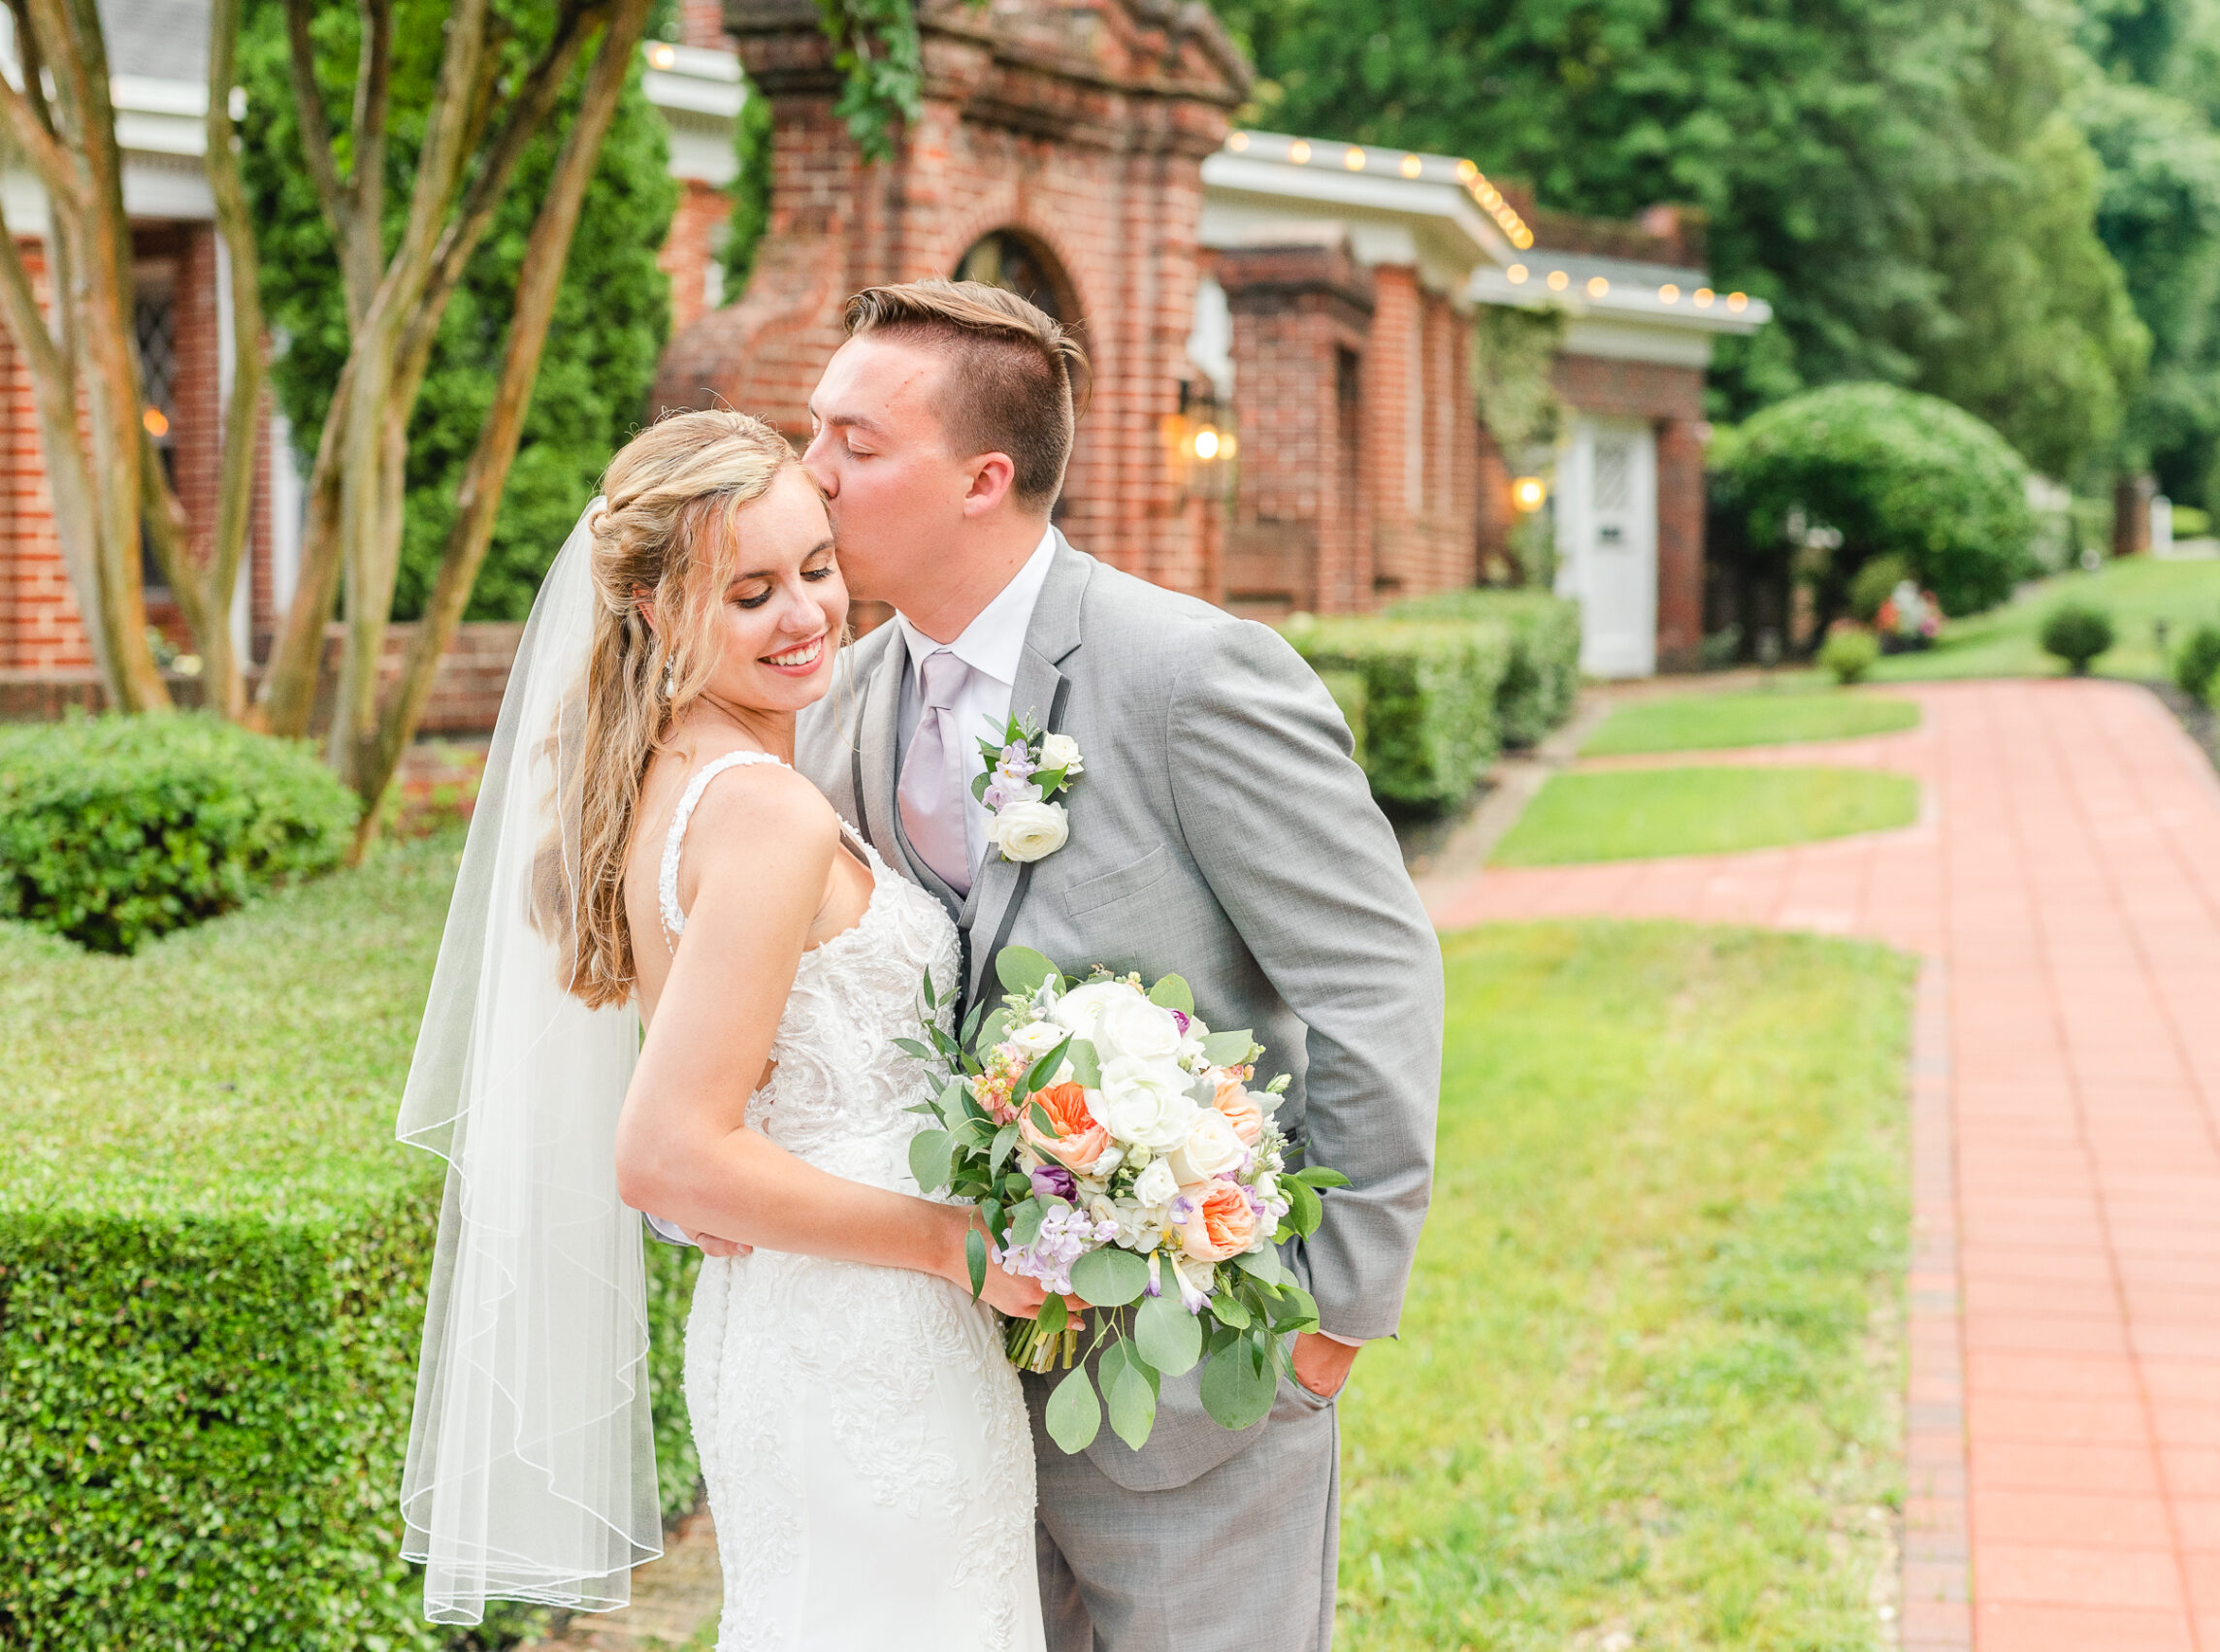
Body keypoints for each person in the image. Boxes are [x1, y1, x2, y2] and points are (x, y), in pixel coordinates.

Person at [792, 279, 1443, 1652]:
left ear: (983, 477)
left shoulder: (1191, 674)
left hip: (1195, 1379)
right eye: (814, 433)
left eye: (856, 443)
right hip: (946, 1386)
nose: (812, 474)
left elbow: (1374, 974)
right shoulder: (845, 695)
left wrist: (1334, 1311)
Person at [398, 409, 1051, 1649]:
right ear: (651, 607)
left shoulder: (675, 772)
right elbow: (667, 1155)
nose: (804, 613)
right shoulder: (763, 814)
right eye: (749, 591)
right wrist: (957, 1244)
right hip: (866, 1332)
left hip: (802, 1317)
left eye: (815, 566)